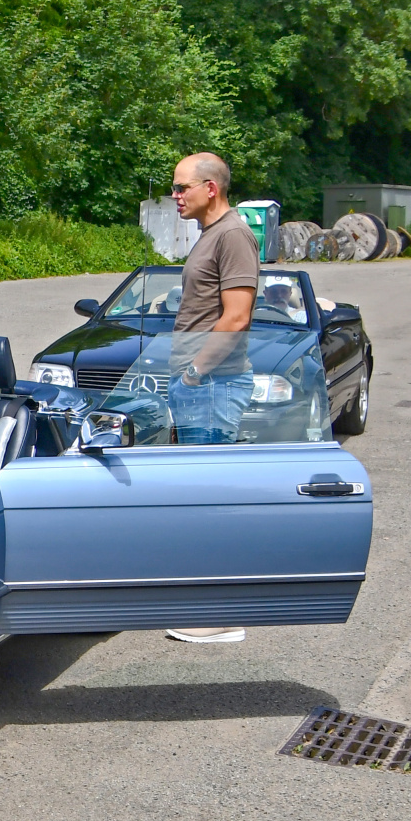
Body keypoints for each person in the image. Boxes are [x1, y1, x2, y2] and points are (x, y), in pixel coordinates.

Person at [165, 151, 259, 645]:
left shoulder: (233, 235)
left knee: (209, 502)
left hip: (214, 386)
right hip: (200, 387)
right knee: (196, 498)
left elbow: (236, 316)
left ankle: (222, 618)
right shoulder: (210, 235)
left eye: (182, 187)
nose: (175, 196)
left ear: (211, 189)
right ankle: (203, 603)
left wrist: (195, 373)